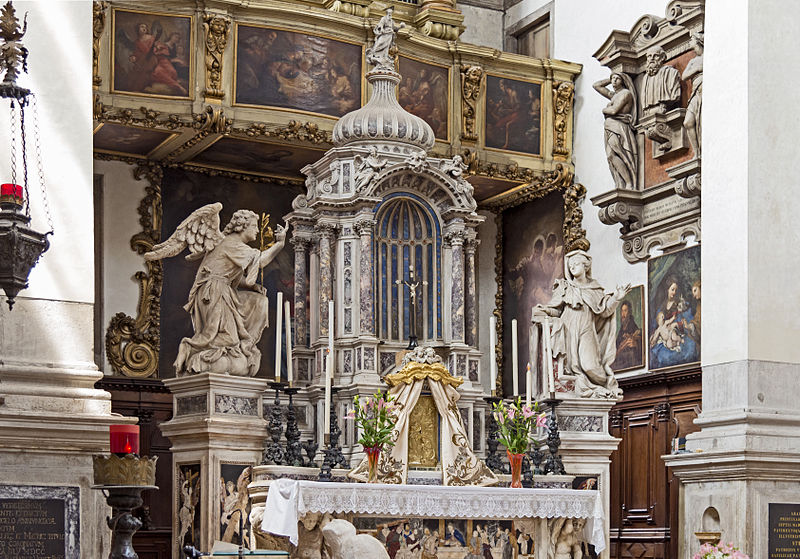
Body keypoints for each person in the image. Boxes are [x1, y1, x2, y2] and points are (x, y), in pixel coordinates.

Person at [144, 205, 288, 377]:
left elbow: (228, 274)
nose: (257, 231)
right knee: (221, 337)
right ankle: (190, 347)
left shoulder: (230, 244)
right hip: (213, 292)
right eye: (254, 227)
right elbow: (261, 261)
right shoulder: (232, 243)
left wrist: (252, 285)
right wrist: (280, 244)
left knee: (258, 302)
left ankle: (236, 350)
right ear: (243, 226)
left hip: (222, 289)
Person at [533, 250, 630, 398]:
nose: (572, 267)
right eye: (570, 265)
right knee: (572, 367)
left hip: (587, 329)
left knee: (590, 365)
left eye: (576, 264)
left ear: (585, 266)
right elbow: (556, 311)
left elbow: (604, 311)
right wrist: (544, 311)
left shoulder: (594, 289)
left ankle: (606, 385)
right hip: (568, 330)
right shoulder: (565, 287)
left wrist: (617, 297)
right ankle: (583, 388)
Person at [593, 73, 637, 190]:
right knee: (610, 156)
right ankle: (623, 182)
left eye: (617, 79)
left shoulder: (625, 94)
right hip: (609, 128)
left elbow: (613, 111)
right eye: (613, 79)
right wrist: (612, 76)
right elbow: (596, 86)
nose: (614, 81)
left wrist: (604, 109)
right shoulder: (614, 95)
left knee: (619, 153)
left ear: (623, 80)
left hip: (618, 128)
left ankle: (629, 182)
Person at [641, 45, 681, 115]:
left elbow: (675, 95)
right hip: (649, 114)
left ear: (662, 57)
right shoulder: (645, 78)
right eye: (649, 56)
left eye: (655, 56)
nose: (652, 59)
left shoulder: (671, 72)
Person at [683, 32, 704, 158]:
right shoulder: (693, 61)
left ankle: (701, 152)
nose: (689, 42)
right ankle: (697, 153)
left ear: (697, 41)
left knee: (702, 121)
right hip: (695, 91)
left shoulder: (709, 56)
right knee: (688, 122)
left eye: (691, 39)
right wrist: (697, 69)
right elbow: (684, 76)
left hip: (704, 89)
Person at [611, 300, 643, 370]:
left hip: (629, 362)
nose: (623, 314)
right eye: (622, 311)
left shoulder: (633, 327)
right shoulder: (621, 329)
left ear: (629, 313)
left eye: (625, 311)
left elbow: (640, 342)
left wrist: (635, 344)